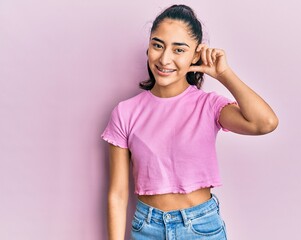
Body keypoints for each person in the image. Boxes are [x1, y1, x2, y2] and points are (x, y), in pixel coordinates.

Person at [101, 4, 278, 240]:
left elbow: (264, 123)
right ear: (149, 47)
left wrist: (224, 74)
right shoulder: (125, 112)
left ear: (196, 55)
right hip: (146, 229)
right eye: (157, 45)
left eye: (179, 50)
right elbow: (118, 194)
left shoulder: (209, 106)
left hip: (201, 227)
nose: (165, 59)